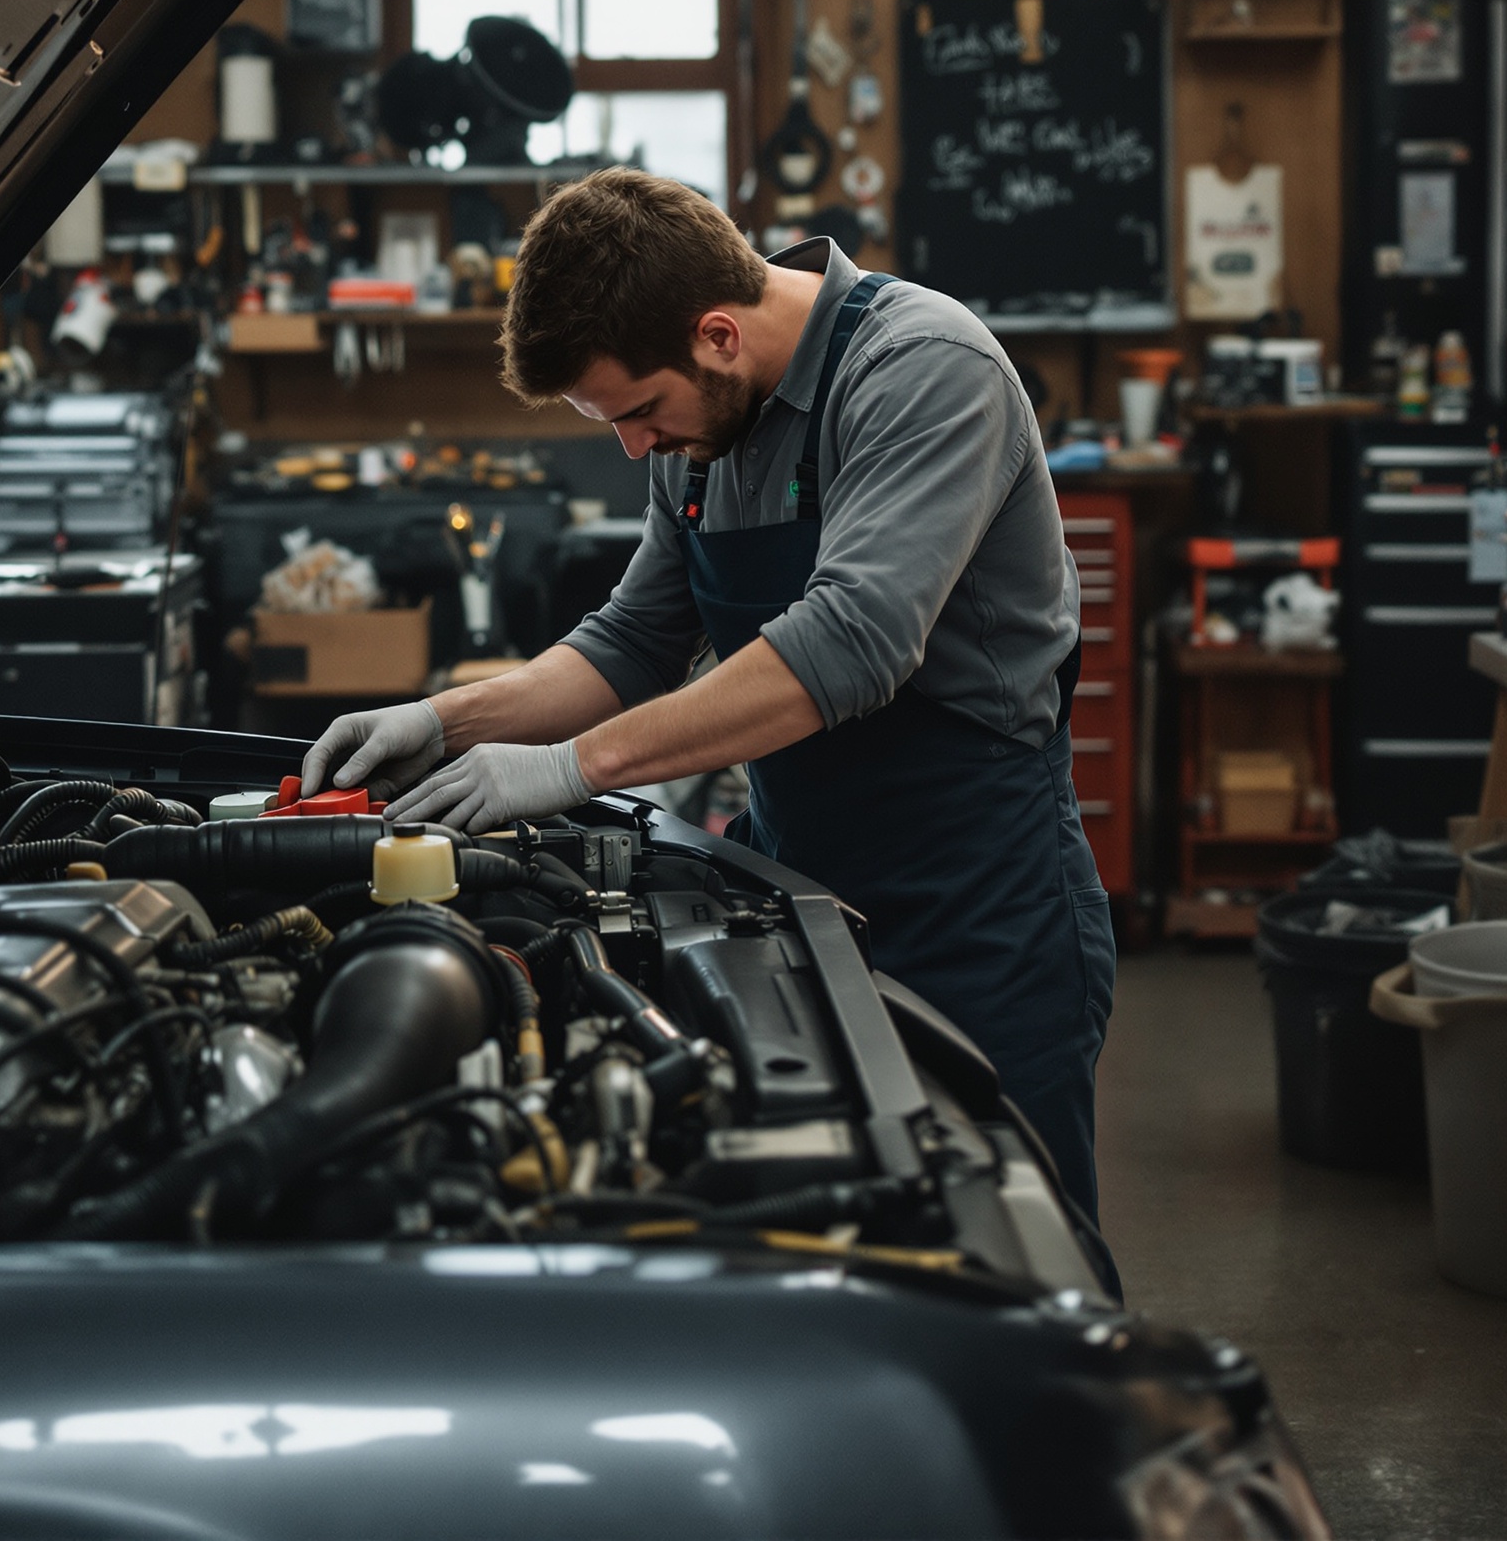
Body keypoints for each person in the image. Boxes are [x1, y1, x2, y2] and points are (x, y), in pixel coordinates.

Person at [301, 168, 1115, 1240]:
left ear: (718, 335)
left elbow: (850, 642)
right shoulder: (700, 436)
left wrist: (569, 769)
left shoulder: (920, 367)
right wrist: (442, 721)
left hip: (978, 898)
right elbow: (632, 640)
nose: (633, 448)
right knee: (832, 1239)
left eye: (637, 413)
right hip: (803, 888)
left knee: (1010, 1251)